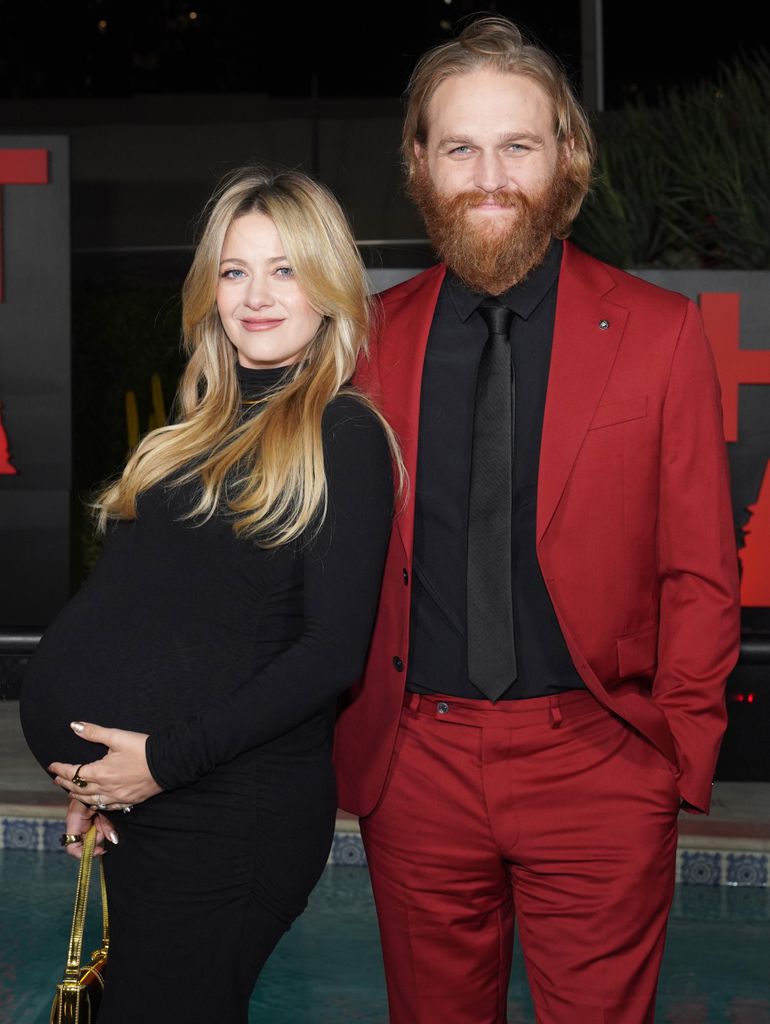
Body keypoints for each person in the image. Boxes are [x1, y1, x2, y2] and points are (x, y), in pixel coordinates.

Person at [332, 16, 741, 1024]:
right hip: (415, 767)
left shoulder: (656, 332)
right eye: (459, 147)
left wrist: (669, 753)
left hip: (599, 759)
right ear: (417, 161)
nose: (488, 176)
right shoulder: (363, 343)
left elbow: (697, 567)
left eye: (516, 144)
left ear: (566, 155)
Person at [20, 164, 400, 1023]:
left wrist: (158, 763)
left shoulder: (342, 434)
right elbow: (151, 612)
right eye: (235, 271)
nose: (256, 295)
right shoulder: (183, 437)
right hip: (146, 806)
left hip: (232, 817)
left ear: (331, 289)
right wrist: (96, 779)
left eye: (285, 269)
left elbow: (330, 655)